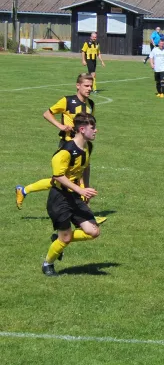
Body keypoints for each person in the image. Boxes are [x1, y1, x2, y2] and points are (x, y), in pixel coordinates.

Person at [15, 74, 103, 220]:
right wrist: (61, 126)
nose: (89, 89)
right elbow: (47, 114)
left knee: (63, 180)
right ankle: (86, 215)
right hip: (67, 146)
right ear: (78, 86)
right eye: (86, 86)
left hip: (83, 145)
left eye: (90, 86)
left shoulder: (91, 105)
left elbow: (89, 123)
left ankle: (24, 190)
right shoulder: (67, 101)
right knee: (65, 180)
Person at [42, 113, 102, 277]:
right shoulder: (65, 151)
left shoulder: (87, 147)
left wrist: (86, 188)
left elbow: (84, 167)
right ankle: (48, 263)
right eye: (93, 128)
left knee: (94, 231)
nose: (96, 131)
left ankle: (59, 240)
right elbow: (57, 176)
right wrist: (80, 190)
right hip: (59, 198)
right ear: (82, 129)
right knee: (66, 238)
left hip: (74, 196)